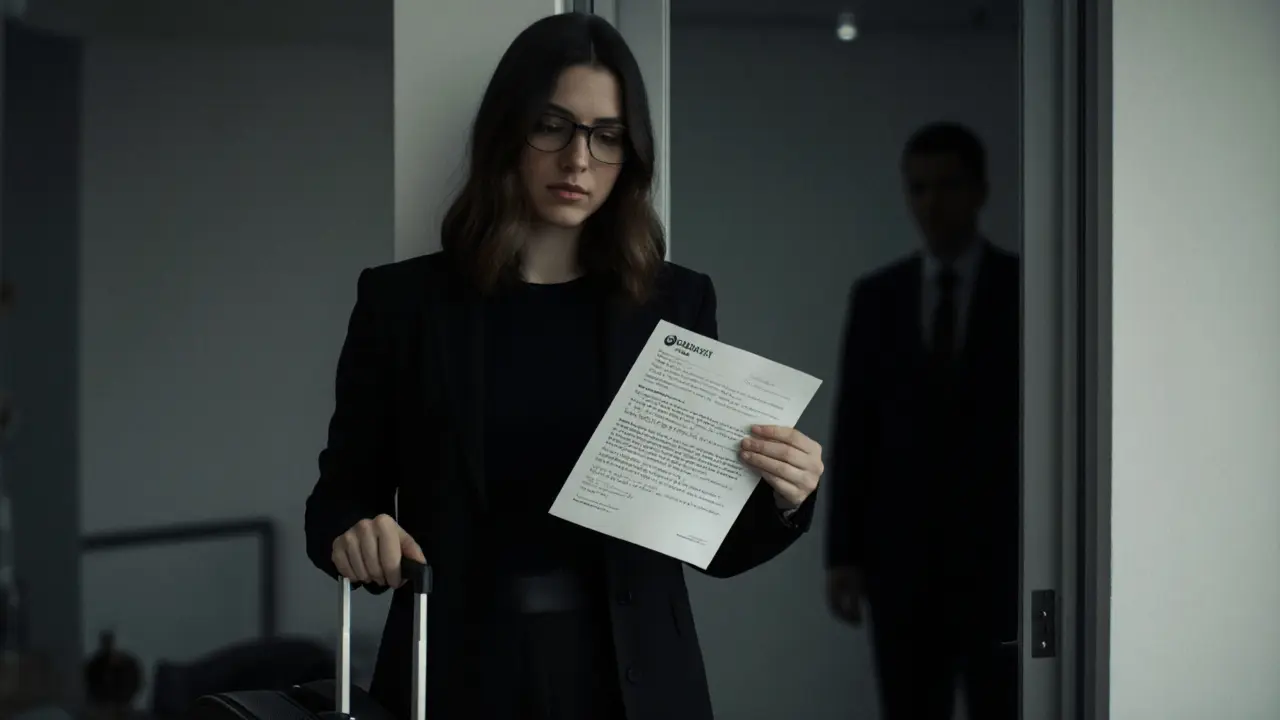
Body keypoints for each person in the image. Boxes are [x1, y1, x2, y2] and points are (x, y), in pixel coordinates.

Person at [304, 13, 824, 720]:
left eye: (606, 136)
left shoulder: (677, 300)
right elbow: (336, 501)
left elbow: (715, 545)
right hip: (458, 674)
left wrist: (788, 498)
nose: (578, 161)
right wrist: (358, 532)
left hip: (633, 684)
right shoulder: (402, 303)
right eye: (553, 126)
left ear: (630, 152)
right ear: (507, 132)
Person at [824, 122, 1020, 720]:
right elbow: (854, 427)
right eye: (918, 188)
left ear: (980, 190)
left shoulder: (1027, 289)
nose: (931, 203)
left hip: (1001, 559)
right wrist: (842, 555)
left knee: (1002, 704)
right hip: (901, 561)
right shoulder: (878, 296)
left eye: (947, 186)